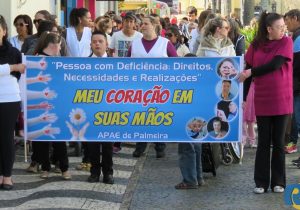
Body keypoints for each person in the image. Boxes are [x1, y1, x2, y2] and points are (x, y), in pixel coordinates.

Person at [238, 11, 293, 194]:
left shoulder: (286, 41)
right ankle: (260, 182)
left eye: (284, 26)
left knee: (278, 142)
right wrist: (244, 97)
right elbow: (246, 71)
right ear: (269, 29)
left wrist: (252, 72)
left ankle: (279, 182)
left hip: (282, 99)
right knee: (263, 142)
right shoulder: (256, 45)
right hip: (262, 99)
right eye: (280, 27)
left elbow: (275, 65)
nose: (283, 29)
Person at [128, 15, 178, 158]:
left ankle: (160, 146)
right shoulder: (135, 44)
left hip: (160, 88)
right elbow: (125, 64)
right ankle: (140, 146)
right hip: (139, 88)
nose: (142, 26)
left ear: (154, 25)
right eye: (141, 24)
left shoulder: (165, 43)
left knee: (159, 116)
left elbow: (177, 64)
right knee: (140, 118)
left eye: (145, 24)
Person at [33, 31, 71, 180]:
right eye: (60, 45)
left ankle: (63, 167)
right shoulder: (36, 59)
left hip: (57, 103)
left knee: (59, 137)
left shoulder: (59, 60)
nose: (61, 48)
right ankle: (46, 166)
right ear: (53, 45)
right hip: (41, 103)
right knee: (43, 138)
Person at [0, 15, 26, 190]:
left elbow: (20, 74)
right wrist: (11, 68)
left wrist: (13, 69)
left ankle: (7, 175)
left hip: (9, 99)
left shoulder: (14, 52)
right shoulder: (13, 60)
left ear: (4, 30)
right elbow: (15, 70)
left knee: (7, 138)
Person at [86, 31, 114, 184]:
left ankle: (108, 173)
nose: (97, 44)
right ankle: (94, 172)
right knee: (92, 144)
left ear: (106, 44)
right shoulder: (84, 64)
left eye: (100, 41)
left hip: (109, 110)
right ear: (90, 44)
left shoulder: (115, 63)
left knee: (108, 145)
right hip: (91, 109)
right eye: (94, 41)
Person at [284, 9, 300, 155]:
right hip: (296, 83)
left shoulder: (299, 36)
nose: (286, 24)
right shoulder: (296, 35)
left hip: (297, 84)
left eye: (287, 20)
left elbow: (295, 63)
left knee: (296, 117)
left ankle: (293, 143)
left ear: (295, 18)